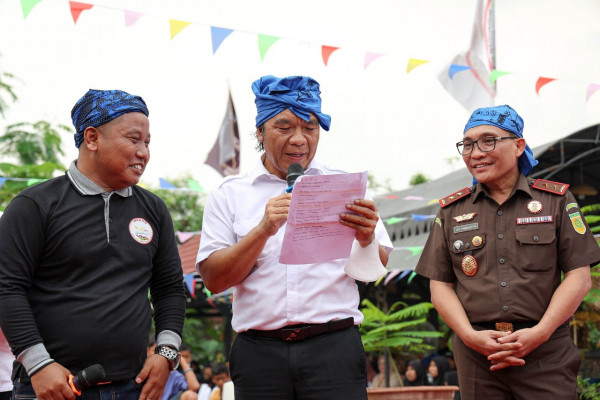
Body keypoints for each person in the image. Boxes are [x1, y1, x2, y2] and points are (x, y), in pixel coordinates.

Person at [196, 75, 393, 400]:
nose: (299, 139)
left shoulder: (346, 187)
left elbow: (374, 271)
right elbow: (214, 280)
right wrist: (262, 230)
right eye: (284, 127)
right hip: (259, 354)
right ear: (260, 131)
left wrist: (366, 237)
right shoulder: (228, 194)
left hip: (334, 349)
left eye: (310, 128)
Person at [0, 89, 187, 400]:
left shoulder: (153, 209)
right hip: (49, 388)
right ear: (92, 138)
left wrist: (166, 352)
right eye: (134, 139)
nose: (143, 152)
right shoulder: (35, 205)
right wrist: (38, 364)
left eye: (147, 142)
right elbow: (6, 287)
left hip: (133, 388)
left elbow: (169, 288)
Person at [415, 104, 600, 399]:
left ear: (518, 146)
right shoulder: (451, 211)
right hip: (477, 355)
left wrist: (539, 333)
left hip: (546, 350)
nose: (475, 153)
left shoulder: (555, 200)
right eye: (467, 144)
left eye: (488, 140)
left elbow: (579, 278)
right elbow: (439, 287)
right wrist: (469, 336)